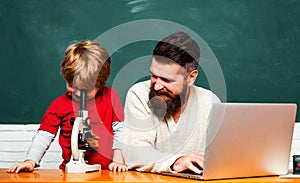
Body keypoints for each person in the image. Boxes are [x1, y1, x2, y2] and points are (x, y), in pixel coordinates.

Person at [7, 41, 128, 173]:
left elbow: (119, 131)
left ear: (100, 83)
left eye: (85, 90)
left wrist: (118, 161)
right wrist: (30, 160)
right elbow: (44, 135)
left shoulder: (110, 96)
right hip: (71, 173)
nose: (77, 93)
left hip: (107, 173)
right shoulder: (59, 105)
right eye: (72, 86)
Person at [122, 32, 221, 174]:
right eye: (154, 76)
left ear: (191, 77)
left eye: (166, 80)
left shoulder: (210, 102)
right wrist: (177, 162)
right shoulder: (138, 94)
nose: (156, 86)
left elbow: (216, 159)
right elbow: (135, 153)